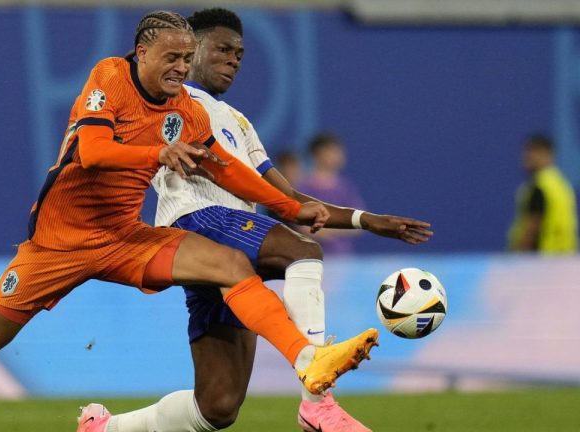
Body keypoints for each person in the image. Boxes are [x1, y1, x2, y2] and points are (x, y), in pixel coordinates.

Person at [0, 10, 381, 431]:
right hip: (58, 245)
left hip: (123, 237)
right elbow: (91, 152)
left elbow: (226, 171)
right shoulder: (109, 79)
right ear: (142, 54)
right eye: (171, 58)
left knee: (230, 265)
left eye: (186, 59)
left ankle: (307, 362)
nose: (181, 68)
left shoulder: (188, 111)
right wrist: (159, 153)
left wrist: (293, 208)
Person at [78, 8, 433, 432]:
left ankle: (105, 429)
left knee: (217, 408)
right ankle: (317, 404)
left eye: (240, 54)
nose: (234, 60)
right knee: (302, 252)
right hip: (195, 220)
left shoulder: (241, 124)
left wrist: (365, 220)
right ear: (192, 50)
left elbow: (285, 197)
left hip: (232, 247)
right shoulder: (171, 104)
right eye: (223, 49)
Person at [507, 134, 578, 253]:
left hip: (542, 259)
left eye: (535, 151)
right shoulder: (560, 184)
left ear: (549, 155)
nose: (528, 156)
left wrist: (518, 255)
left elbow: (533, 226)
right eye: (527, 151)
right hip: (565, 258)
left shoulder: (540, 187)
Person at [298, 133, 366, 254]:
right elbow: (300, 225)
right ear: (319, 154)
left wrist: (331, 230)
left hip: (342, 257)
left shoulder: (345, 187)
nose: (339, 156)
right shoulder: (303, 187)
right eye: (333, 152)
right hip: (312, 256)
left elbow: (361, 222)